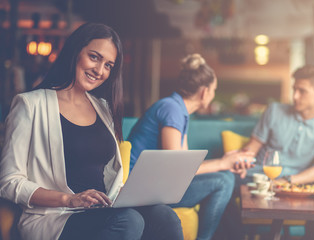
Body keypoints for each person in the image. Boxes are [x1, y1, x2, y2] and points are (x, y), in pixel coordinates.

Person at [0, 22, 183, 240]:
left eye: (108, 65)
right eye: (94, 57)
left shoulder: (104, 108)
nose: (99, 70)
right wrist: (70, 199)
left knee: (164, 215)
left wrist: (126, 194)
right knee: (129, 220)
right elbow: (9, 182)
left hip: (103, 211)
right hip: (56, 216)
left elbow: (109, 177)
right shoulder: (30, 104)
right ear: (75, 51)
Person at [127, 53, 254, 240]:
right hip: (143, 191)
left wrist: (227, 161)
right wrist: (222, 162)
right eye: (214, 90)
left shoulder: (179, 111)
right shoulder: (172, 109)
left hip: (158, 185)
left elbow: (184, 165)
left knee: (227, 177)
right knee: (223, 181)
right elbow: (177, 168)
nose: (213, 95)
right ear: (204, 92)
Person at [242, 65, 314, 185]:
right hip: (258, 176)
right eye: (294, 90)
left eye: (302, 91)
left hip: (294, 181)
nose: (295, 96)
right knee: (226, 178)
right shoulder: (274, 110)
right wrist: (241, 162)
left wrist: (285, 182)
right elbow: (253, 147)